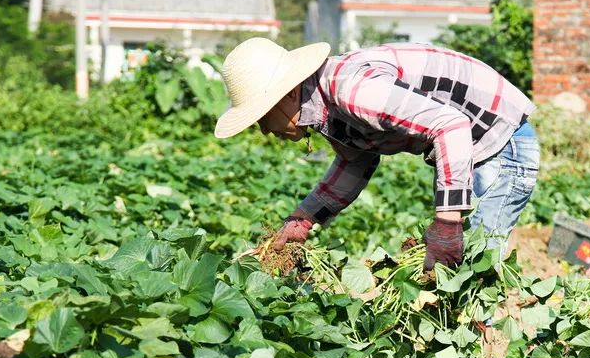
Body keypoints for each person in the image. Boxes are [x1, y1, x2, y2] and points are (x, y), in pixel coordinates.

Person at [214, 38, 539, 270]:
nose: (265, 131)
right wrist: (303, 219)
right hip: (473, 146)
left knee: (476, 268)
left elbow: (451, 126)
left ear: (283, 97)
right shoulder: (327, 106)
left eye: (260, 118)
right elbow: (355, 161)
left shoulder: (352, 91)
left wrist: (447, 223)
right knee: (455, 266)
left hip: (499, 140)